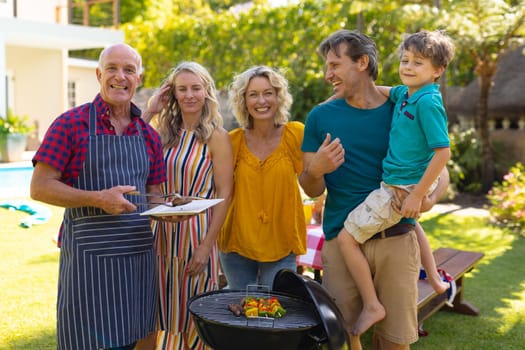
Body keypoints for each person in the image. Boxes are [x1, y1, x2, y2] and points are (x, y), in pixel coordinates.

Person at [299, 30, 449, 350]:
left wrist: (426, 198)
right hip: (342, 242)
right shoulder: (320, 116)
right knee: (341, 335)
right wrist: (316, 169)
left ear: (362, 62)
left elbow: (440, 164)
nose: (328, 75)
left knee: (395, 341)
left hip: (396, 239)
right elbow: (309, 186)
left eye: (335, 65)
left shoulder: (402, 104)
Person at [30, 43, 166, 350]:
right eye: (113, 69)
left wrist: (179, 206)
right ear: (98, 74)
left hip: (137, 263)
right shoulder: (70, 125)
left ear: (139, 78)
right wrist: (98, 198)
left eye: (129, 70)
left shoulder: (149, 136)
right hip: (89, 268)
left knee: (140, 338)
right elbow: (39, 187)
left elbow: (154, 196)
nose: (121, 77)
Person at [336, 29, 456, 336]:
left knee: (347, 239)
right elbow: (385, 90)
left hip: (402, 187)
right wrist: (353, 88)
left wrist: (417, 195)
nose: (408, 67)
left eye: (418, 62)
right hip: (402, 184)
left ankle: (373, 305)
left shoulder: (428, 101)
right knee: (414, 225)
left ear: (437, 70)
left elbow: (443, 152)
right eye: (405, 60)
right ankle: (435, 279)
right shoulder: (408, 93)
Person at [140, 61, 234, 350]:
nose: (189, 95)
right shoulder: (160, 131)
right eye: (182, 89)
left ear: (207, 91)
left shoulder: (217, 136)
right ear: (173, 93)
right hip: (161, 234)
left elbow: (225, 192)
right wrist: (151, 109)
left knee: (194, 314)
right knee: (157, 312)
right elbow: (129, 146)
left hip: (197, 235)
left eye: (195, 87)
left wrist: (208, 246)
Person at [218, 65, 307, 290]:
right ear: (244, 101)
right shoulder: (233, 140)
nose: (261, 101)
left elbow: (312, 181)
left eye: (268, 93)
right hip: (237, 244)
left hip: (281, 242)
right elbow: (220, 190)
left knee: (276, 315)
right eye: (253, 95)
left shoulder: (295, 134)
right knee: (238, 315)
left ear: (278, 97)